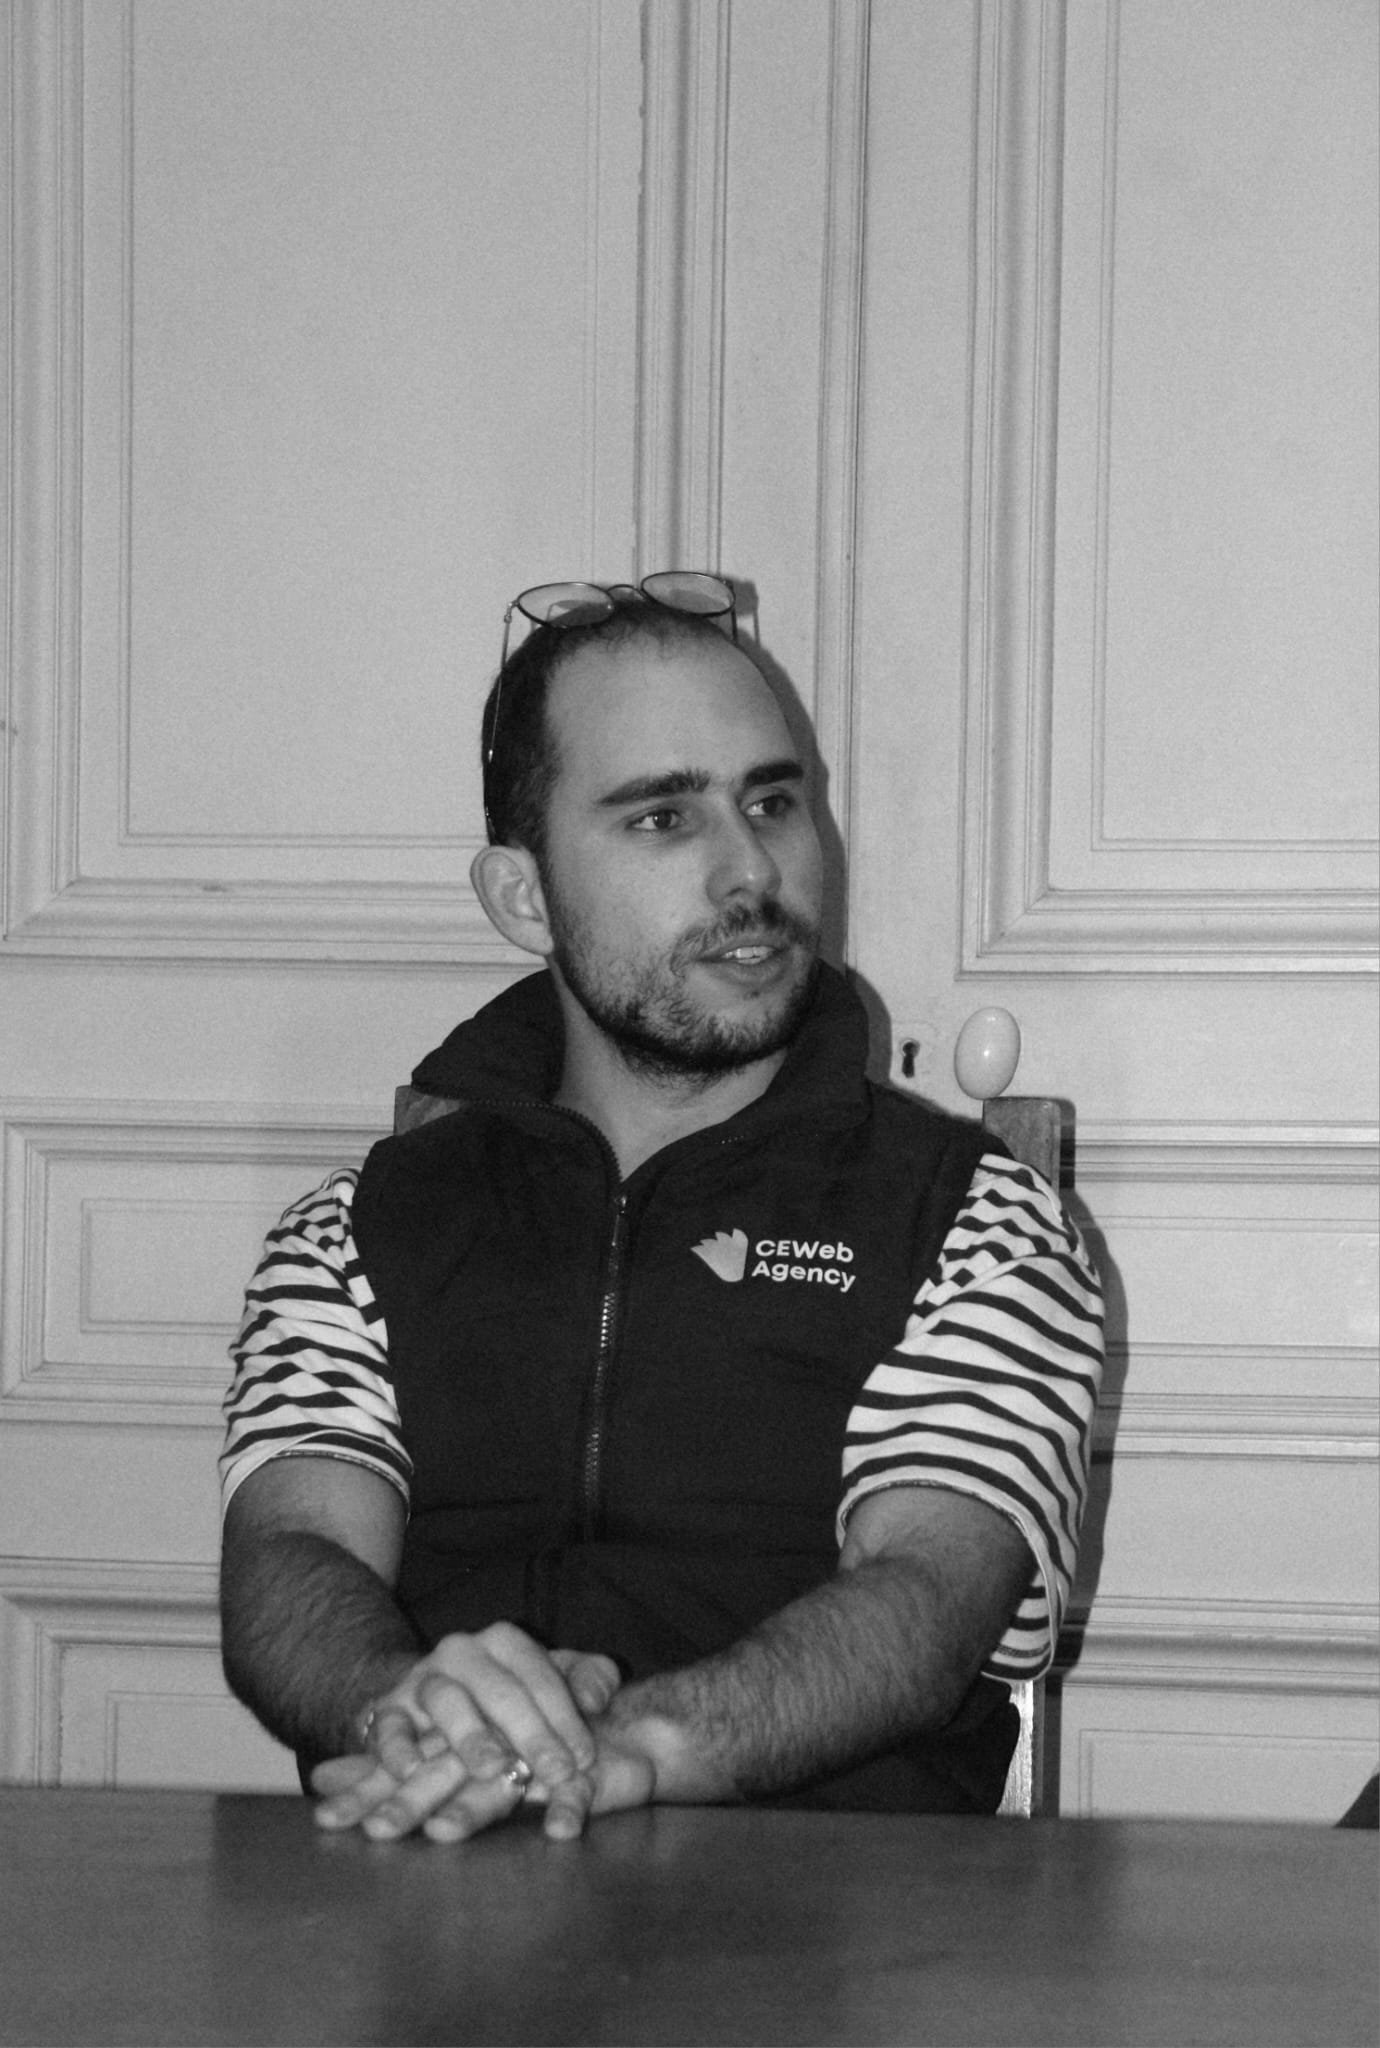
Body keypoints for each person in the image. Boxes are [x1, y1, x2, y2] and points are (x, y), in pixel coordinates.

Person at [219, 573, 1103, 1844]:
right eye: (663, 816)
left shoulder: (975, 1221)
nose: (751, 868)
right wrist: (400, 1711)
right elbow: (293, 1556)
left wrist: (624, 1749)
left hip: (844, 1913)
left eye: (772, 801)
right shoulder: (356, 1229)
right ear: (523, 895)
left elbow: (929, 1591)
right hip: (434, 1893)